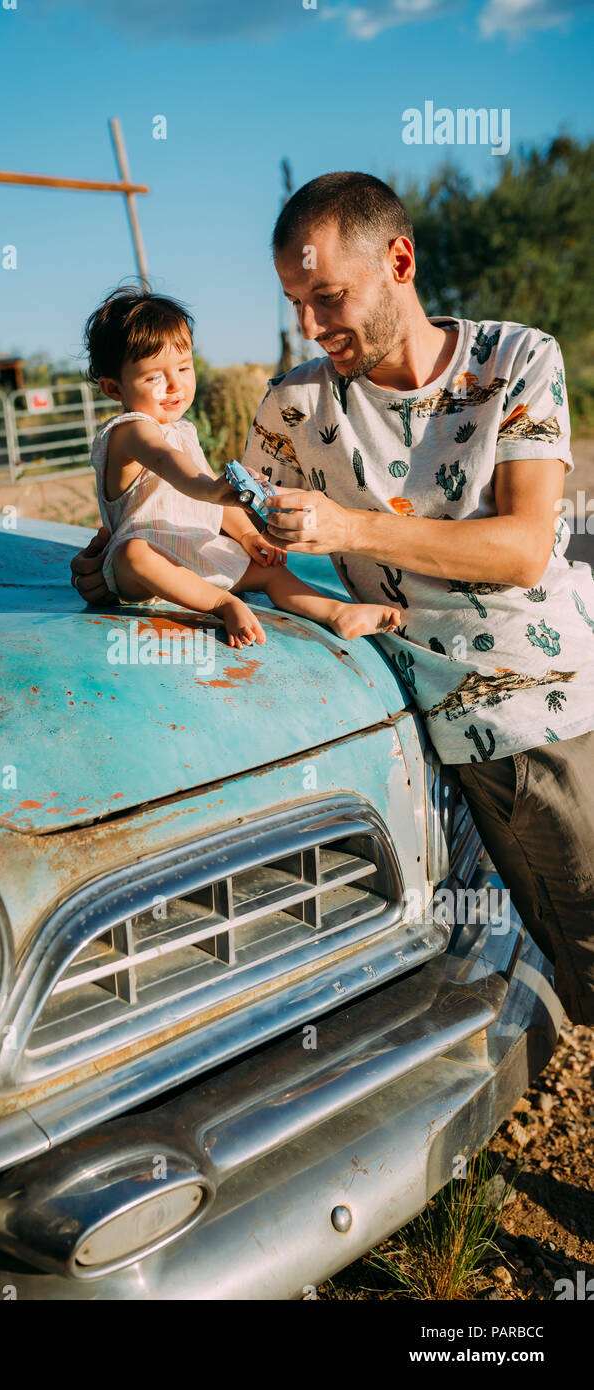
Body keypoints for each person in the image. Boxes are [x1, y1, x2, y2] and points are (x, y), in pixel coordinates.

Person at [71, 172, 594, 1028]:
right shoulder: (293, 405)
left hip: (546, 706)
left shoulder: (516, 361)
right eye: (293, 301)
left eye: (326, 297)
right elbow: (227, 523)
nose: (309, 327)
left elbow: (522, 547)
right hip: (441, 721)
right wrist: (116, 555)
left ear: (399, 260)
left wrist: (347, 530)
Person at [81, 285, 401, 649]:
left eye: (184, 367)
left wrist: (249, 536)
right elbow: (169, 464)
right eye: (154, 377)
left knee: (269, 570)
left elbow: (207, 502)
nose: (174, 385)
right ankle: (222, 602)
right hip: (143, 570)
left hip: (193, 553)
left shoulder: (182, 430)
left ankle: (334, 612)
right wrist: (210, 487)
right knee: (132, 553)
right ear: (112, 387)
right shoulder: (130, 432)